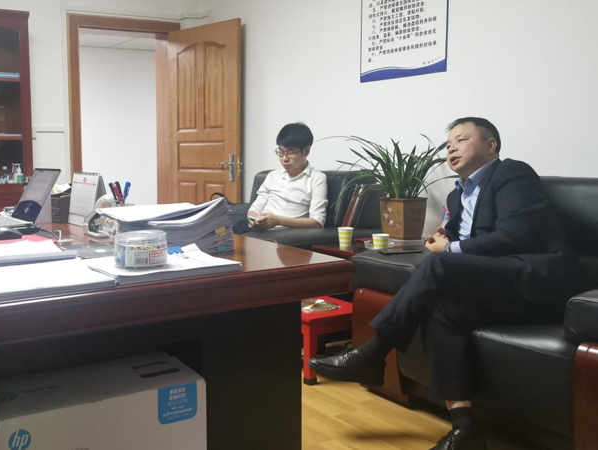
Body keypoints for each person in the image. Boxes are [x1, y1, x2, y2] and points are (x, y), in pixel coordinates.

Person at [309, 117, 586, 450]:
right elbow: (459, 237)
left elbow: (516, 235)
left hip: (537, 283)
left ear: (491, 145)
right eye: (449, 144)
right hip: (497, 284)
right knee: (442, 310)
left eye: (462, 140)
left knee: (440, 263)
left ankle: (373, 352)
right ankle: (465, 428)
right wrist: (443, 237)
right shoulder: (457, 196)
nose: (452, 148)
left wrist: (451, 248)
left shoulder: (512, 173)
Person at [244, 122, 327, 231]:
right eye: (281, 152)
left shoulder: (317, 179)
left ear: (306, 151)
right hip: (258, 231)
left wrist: (278, 220)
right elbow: (255, 209)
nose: (284, 158)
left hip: (286, 235)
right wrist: (254, 220)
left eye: (290, 152)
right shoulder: (272, 176)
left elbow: (317, 222)